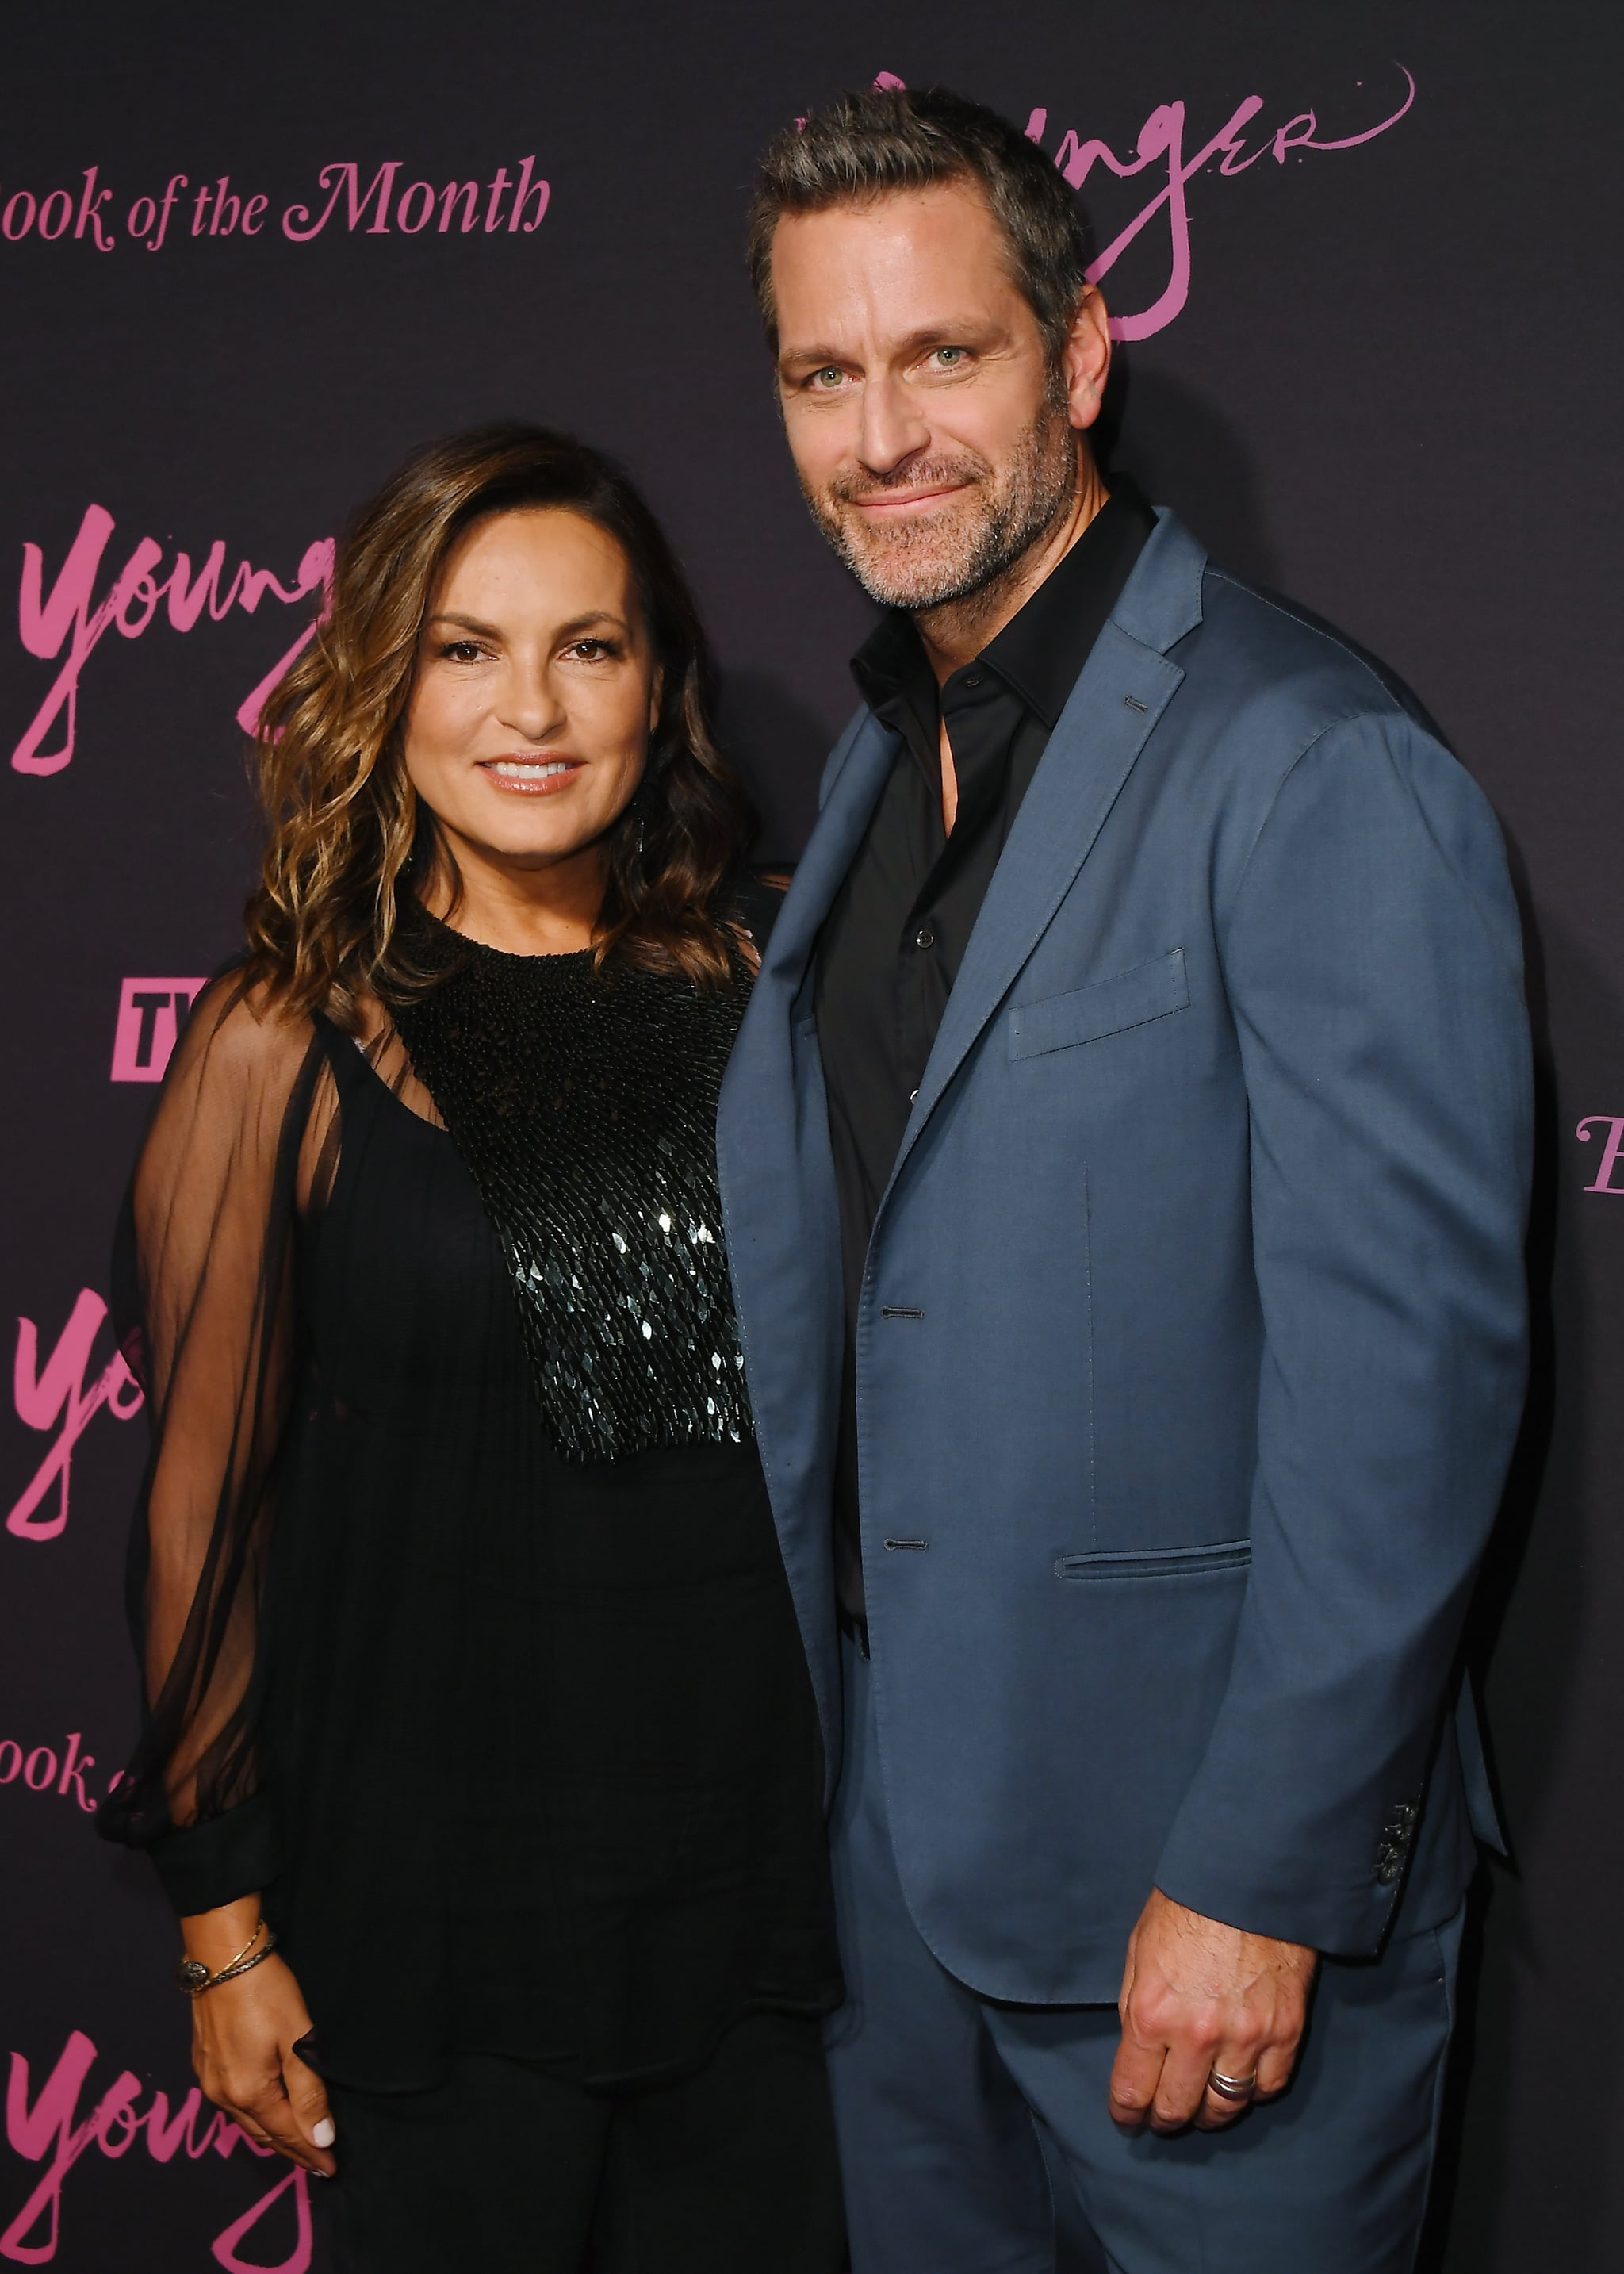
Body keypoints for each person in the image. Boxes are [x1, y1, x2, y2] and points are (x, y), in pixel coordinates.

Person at [714, 85, 1532, 2274]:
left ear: (1078, 356)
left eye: (943, 356)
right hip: (892, 1898)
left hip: (1201, 1910)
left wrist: (1267, 1867)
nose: (883, 433)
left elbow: (1410, 1381)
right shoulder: (888, 764)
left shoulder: (1309, 758)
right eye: (825, 373)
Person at [101, 424, 845, 2274]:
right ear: (386, 686)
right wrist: (224, 1927)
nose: (534, 706)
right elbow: (200, 1508)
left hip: (764, 1921)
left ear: (654, 683)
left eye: (587, 647)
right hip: (430, 1925)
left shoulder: (768, 982)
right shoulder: (285, 1040)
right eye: (466, 647)